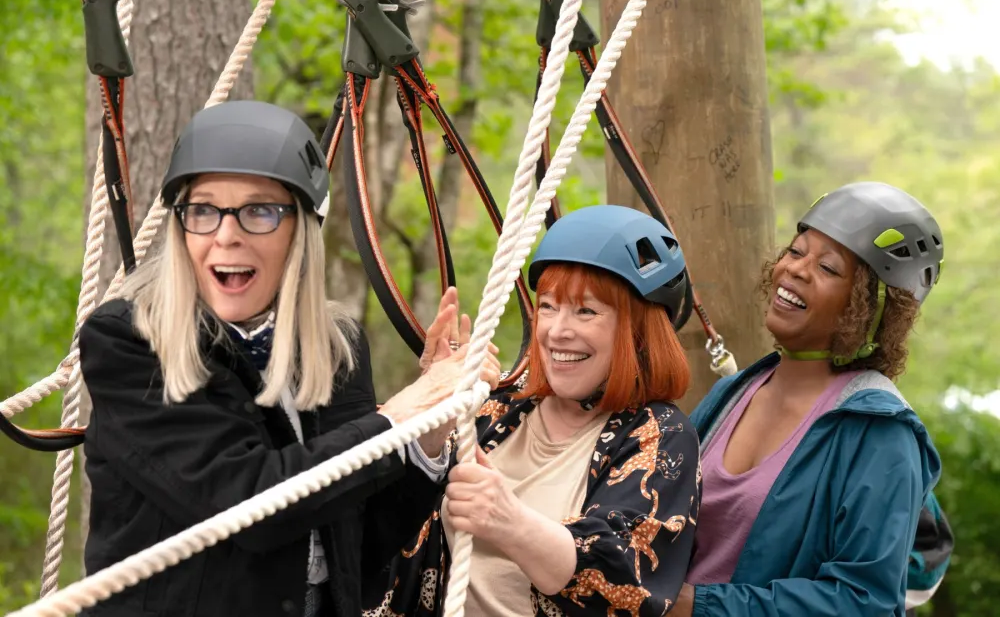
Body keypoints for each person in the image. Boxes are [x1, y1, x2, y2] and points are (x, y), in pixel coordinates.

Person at [77, 100, 502, 617]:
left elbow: (360, 548)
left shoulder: (334, 348)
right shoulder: (131, 343)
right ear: (180, 226)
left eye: (259, 210)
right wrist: (403, 414)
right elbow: (249, 505)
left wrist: (430, 429)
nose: (226, 234)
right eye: (204, 210)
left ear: (301, 230)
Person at [363, 205, 703, 617]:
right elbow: (379, 513)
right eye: (547, 306)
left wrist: (510, 522)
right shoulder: (498, 410)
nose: (557, 330)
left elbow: (626, 584)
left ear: (639, 331)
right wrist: (435, 408)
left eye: (586, 310)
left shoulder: (660, 436)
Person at [670, 181, 944, 616]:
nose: (795, 270)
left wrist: (695, 606)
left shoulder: (880, 434)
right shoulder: (733, 393)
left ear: (868, 306)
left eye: (829, 269)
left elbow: (864, 603)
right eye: (796, 252)